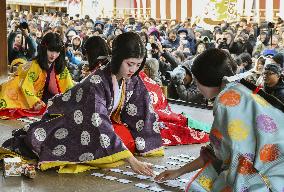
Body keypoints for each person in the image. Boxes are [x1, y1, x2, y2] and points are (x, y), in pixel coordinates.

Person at [1, 32, 163, 176]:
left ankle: (115, 150)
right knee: (58, 145)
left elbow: (143, 110)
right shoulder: (96, 82)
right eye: (129, 64)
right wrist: (132, 161)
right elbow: (98, 123)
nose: (133, 70)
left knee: (126, 139)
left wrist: (145, 143)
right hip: (72, 122)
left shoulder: (133, 79)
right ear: (118, 57)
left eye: (137, 64)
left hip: (97, 124)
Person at [155, 48, 284, 191]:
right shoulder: (238, 88)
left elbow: (225, 155)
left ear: (205, 78)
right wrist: (178, 172)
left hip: (267, 178)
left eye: (197, 81)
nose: (197, 86)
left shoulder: (226, 101)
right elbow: (217, 152)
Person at [0, 32, 74, 119]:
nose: (53, 55)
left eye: (57, 51)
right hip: (27, 96)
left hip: (47, 101)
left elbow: (70, 88)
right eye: (50, 50)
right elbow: (25, 86)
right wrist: (35, 102)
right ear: (44, 48)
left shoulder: (61, 68)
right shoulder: (34, 65)